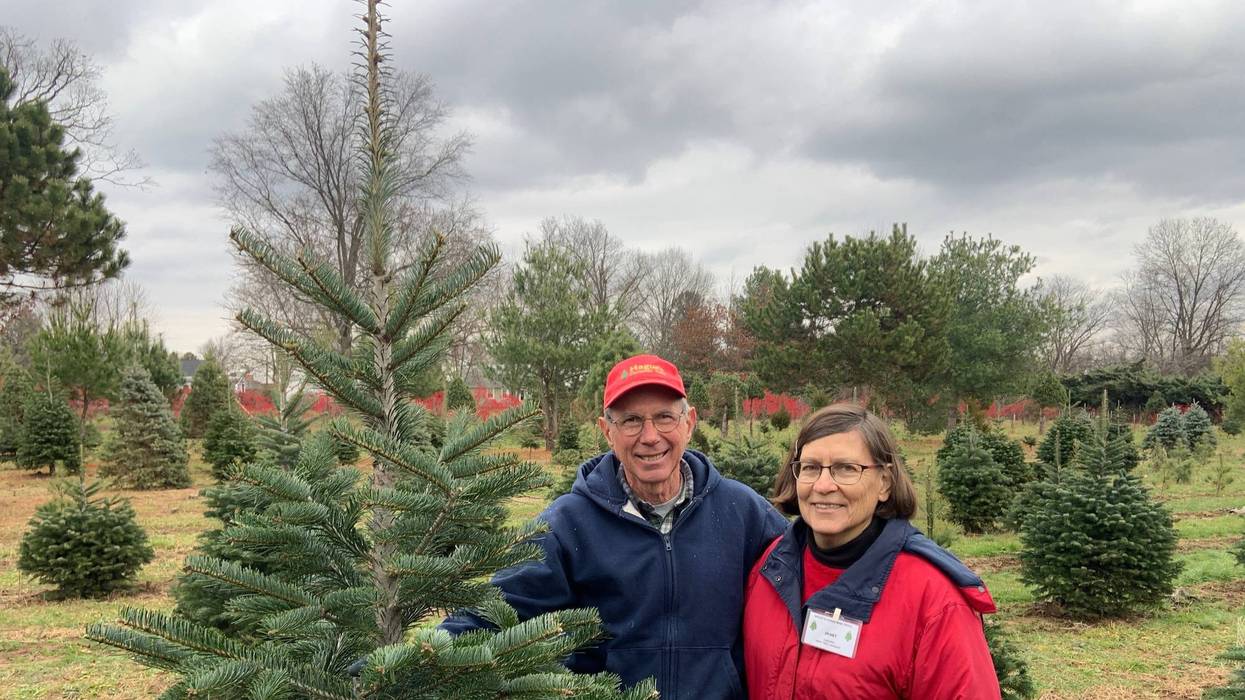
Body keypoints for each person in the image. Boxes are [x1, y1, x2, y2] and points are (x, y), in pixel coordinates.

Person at [443, 353, 787, 699]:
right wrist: (427, 661)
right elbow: (494, 610)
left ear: (689, 423)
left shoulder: (741, 511)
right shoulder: (569, 524)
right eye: (631, 420)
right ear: (607, 431)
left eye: (665, 417)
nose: (650, 436)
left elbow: (807, 571)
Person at [743, 403, 1001, 699]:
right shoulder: (770, 568)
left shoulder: (934, 600)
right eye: (810, 467)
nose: (823, 485)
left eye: (846, 469)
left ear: (885, 483)